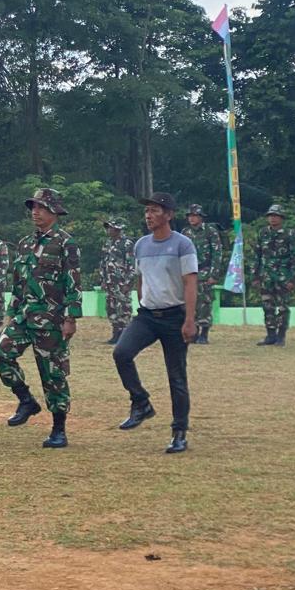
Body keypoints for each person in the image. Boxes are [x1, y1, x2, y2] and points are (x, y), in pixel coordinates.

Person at [0, 187, 81, 449]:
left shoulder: (66, 243)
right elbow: (17, 284)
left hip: (51, 319)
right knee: (0, 353)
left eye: (41, 207)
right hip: (24, 315)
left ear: (54, 211)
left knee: (52, 375)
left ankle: (58, 429)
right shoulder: (24, 243)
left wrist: (71, 317)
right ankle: (26, 400)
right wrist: (10, 314)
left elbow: (74, 282)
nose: (35, 211)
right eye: (33, 207)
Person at [113, 192, 198, 454]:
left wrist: (189, 320)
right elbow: (141, 279)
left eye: (155, 210)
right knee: (121, 353)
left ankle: (179, 432)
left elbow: (190, 282)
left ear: (169, 215)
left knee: (176, 377)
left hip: (174, 316)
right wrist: (142, 302)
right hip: (148, 315)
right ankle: (141, 402)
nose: (149, 215)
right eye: (146, 211)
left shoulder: (183, 245)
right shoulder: (141, 245)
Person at [252, 204, 295, 346]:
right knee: (267, 306)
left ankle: (281, 336)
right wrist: (255, 276)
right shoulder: (263, 233)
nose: (272, 218)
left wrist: (293, 278)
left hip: (283, 277)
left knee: (283, 307)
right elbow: (257, 255)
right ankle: (270, 335)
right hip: (266, 277)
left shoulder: (290, 234)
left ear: (281, 218)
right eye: (270, 216)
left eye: (276, 216)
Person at [182, 204, 223, 344]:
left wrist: (214, 274)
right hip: (188, 272)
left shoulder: (210, 231)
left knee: (204, 303)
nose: (192, 218)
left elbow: (217, 253)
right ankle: (192, 332)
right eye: (190, 216)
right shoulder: (185, 232)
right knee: (188, 303)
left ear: (201, 217)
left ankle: (204, 332)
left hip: (205, 270)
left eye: (195, 215)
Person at [99, 217, 136, 345]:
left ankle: (125, 336)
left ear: (118, 229)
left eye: (111, 227)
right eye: (108, 227)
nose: (108, 230)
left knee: (124, 309)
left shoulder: (127, 244)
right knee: (111, 308)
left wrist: (128, 283)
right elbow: (103, 263)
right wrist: (103, 279)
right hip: (110, 282)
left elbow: (132, 265)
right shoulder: (107, 243)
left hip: (122, 283)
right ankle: (115, 334)